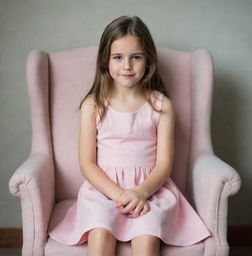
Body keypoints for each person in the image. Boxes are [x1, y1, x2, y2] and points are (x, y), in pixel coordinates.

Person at [48, 15, 211, 256]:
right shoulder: (92, 105)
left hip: (150, 189)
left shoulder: (161, 105)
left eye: (136, 57)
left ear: (148, 60)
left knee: (146, 236)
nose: (127, 65)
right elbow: (87, 163)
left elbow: (164, 163)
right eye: (118, 57)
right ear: (105, 60)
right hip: (104, 191)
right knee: (100, 231)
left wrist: (140, 192)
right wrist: (119, 195)